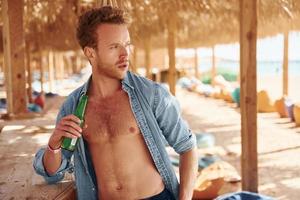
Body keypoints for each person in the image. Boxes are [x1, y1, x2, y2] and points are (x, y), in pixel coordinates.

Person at [33, 6, 198, 200]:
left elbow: (187, 147)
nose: (125, 54)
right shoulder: (74, 106)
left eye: (126, 44)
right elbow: (53, 173)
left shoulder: (152, 94)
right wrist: (54, 146)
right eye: (114, 47)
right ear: (90, 53)